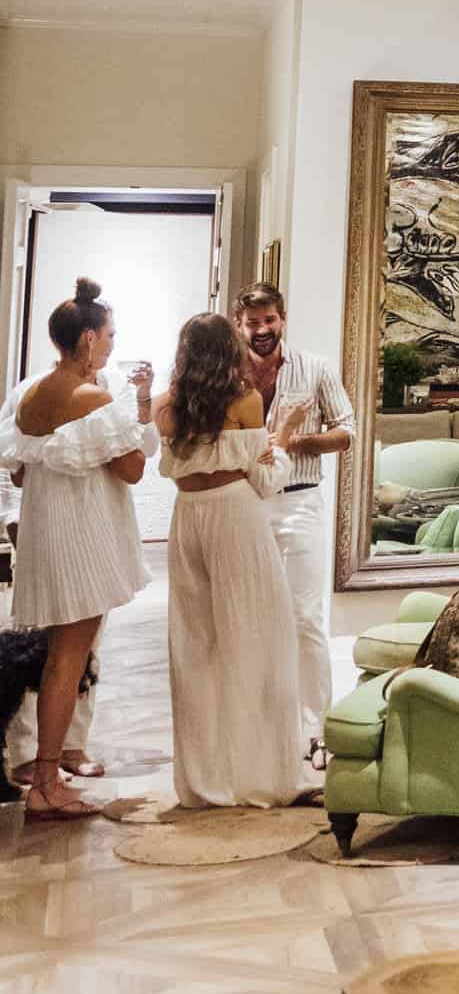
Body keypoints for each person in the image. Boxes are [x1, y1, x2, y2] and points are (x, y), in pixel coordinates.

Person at [0, 279, 153, 820]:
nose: (112, 344)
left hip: (47, 533)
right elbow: (132, 469)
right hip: (83, 537)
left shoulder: (30, 394)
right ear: (87, 339)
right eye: (109, 335)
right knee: (71, 656)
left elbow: (18, 468)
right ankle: (46, 782)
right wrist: (137, 415)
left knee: (59, 655)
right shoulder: (92, 397)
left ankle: (44, 769)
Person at [157, 314, 311, 808]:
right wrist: (284, 433)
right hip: (235, 517)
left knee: (195, 648)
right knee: (260, 641)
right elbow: (266, 481)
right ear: (230, 350)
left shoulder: (167, 407)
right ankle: (260, 777)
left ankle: (205, 783)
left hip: (187, 521)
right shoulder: (245, 402)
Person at [232, 282, 355, 763]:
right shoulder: (228, 375)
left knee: (306, 618)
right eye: (252, 323)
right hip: (243, 504)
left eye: (269, 321)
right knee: (253, 618)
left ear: (283, 319)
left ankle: (316, 730)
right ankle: (263, 730)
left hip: (301, 501)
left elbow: (348, 431)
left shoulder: (316, 368)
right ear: (239, 325)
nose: (262, 331)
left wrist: (293, 443)